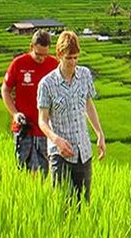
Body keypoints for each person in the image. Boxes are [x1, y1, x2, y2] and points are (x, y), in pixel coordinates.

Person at [38, 31, 105, 202]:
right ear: (59, 54)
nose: (73, 63)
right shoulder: (47, 84)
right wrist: (56, 140)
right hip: (60, 154)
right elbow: (42, 121)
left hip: (83, 151)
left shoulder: (84, 75)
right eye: (69, 58)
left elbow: (88, 104)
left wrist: (99, 134)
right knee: (62, 204)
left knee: (83, 203)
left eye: (76, 58)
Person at [1, 30, 59, 174]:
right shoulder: (18, 64)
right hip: (24, 127)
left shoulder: (54, 65)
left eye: (45, 54)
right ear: (31, 47)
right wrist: (15, 113)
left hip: (45, 129)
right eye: (38, 54)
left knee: (44, 172)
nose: (41, 58)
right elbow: (5, 90)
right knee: (23, 170)